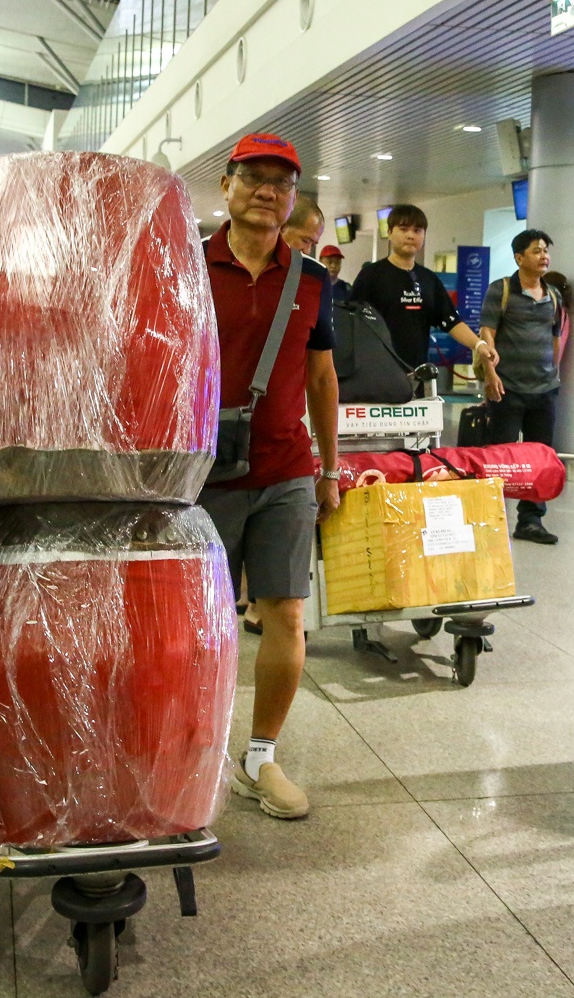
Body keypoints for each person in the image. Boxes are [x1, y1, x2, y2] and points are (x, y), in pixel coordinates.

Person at [199, 133, 341, 821]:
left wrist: (331, 468)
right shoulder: (188, 266)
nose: (267, 191)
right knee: (202, 619)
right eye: (253, 177)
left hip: (286, 465)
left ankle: (260, 755)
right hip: (202, 474)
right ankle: (191, 750)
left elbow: (321, 373)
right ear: (225, 186)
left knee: (285, 611)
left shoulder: (313, 280)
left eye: (281, 184)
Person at [479, 229, 566, 544]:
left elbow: (555, 337)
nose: (544, 256)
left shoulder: (553, 296)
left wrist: (553, 373)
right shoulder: (500, 290)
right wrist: (490, 374)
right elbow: (486, 332)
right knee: (500, 456)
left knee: (540, 459)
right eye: (536, 251)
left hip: (543, 391)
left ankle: (530, 521)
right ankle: (490, 517)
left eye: (545, 250)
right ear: (519, 258)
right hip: (508, 389)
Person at [349, 204, 500, 385]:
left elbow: (450, 321)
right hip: (375, 373)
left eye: (417, 230)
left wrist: (479, 345)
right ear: (389, 232)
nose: (411, 235)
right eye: (403, 229)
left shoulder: (428, 279)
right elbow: (351, 322)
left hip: (416, 374)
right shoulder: (371, 275)